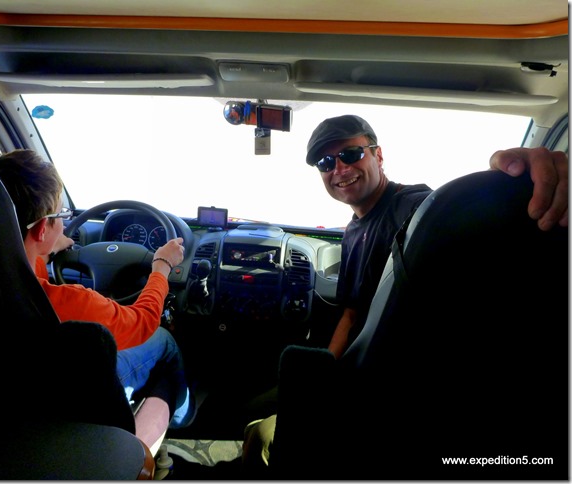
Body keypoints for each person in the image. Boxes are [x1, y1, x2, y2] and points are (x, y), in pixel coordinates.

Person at [241, 114, 569, 476]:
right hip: (359, 372)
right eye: (325, 162)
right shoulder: (353, 230)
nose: (339, 168)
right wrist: (327, 377)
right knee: (252, 404)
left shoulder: (411, 208)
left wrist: (520, 186)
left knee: (257, 433)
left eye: (350, 154)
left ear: (378, 156)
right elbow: (351, 314)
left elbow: (461, 231)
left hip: (394, 392)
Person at [0, 149, 196, 456]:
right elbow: (144, 322)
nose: (64, 225)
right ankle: (156, 440)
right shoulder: (71, 302)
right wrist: (161, 266)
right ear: (42, 228)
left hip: (10, 398)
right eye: (60, 217)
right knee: (164, 344)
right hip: (66, 396)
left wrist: (48, 246)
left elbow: (22, 253)